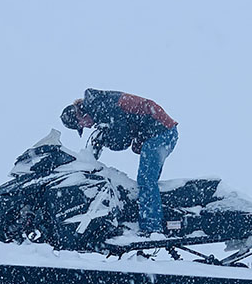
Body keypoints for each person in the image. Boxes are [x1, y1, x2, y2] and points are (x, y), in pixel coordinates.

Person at [61, 88, 178, 234]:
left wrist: (105, 139)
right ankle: (150, 220)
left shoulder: (101, 107)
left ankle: (152, 228)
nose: (87, 127)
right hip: (157, 132)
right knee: (146, 179)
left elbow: (121, 140)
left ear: (80, 114)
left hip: (161, 131)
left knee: (147, 179)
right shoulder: (99, 105)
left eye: (82, 124)